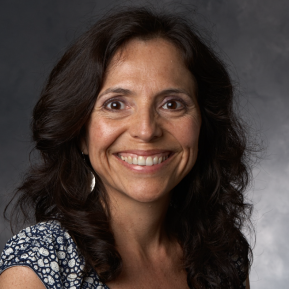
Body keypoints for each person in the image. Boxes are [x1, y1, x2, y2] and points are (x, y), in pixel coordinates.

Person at [0, 6, 253, 289]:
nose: (145, 131)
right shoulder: (39, 265)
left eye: (171, 104)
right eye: (116, 104)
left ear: (203, 125)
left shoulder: (223, 255)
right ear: (81, 132)